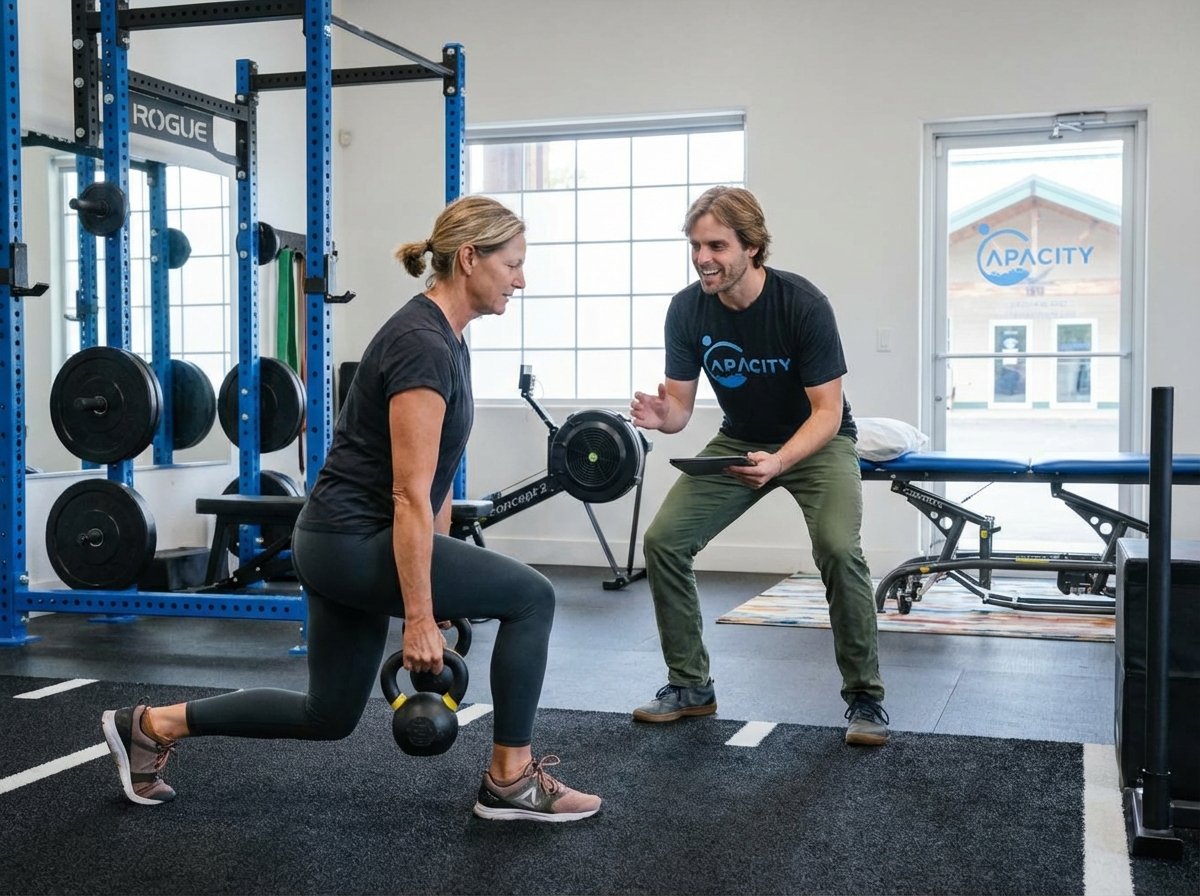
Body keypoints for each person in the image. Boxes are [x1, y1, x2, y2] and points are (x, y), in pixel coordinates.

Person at [100, 195, 602, 822]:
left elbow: (437, 483)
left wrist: (437, 595)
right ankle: (510, 780)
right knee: (534, 598)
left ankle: (150, 725)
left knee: (329, 715)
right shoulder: (422, 344)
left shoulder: (447, 338)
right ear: (470, 258)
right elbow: (408, 495)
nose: (521, 280)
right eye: (514, 264)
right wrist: (418, 616)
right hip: (355, 541)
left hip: (340, 539)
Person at [629, 186, 889, 746]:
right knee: (665, 540)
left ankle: (865, 697)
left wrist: (780, 461)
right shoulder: (687, 308)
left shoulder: (802, 304)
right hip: (739, 439)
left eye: (717, 245)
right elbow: (679, 407)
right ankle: (690, 685)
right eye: (696, 246)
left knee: (840, 549)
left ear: (752, 246)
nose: (703, 258)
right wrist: (663, 415)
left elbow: (827, 412)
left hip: (817, 442)